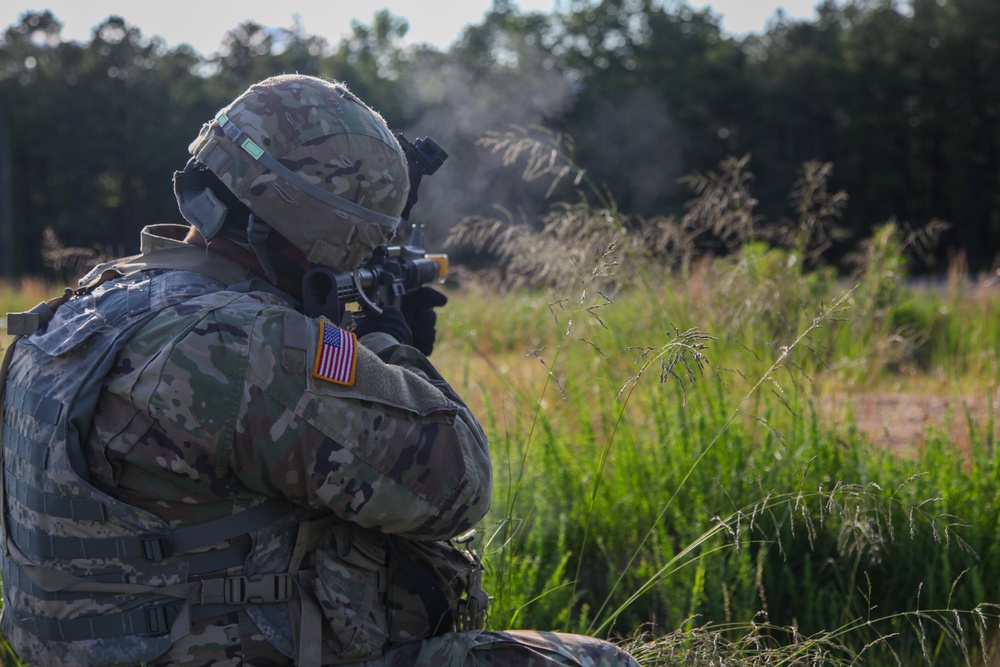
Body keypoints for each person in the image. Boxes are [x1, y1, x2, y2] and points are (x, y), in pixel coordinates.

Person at [0, 75, 639, 667]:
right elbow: (458, 488)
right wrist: (389, 345)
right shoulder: (246, 346)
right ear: (318, 228)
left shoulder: (83, 307)